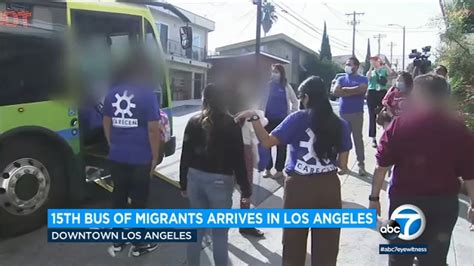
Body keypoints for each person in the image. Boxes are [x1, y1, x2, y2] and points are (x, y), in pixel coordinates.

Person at [236, 76, 352, 266]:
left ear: (306, 97)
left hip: (298, 189)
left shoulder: (297, 119)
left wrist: (255, 118)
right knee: (327, 244)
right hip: (329, 188)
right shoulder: (340, 124)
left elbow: (267, 141)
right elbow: (343, 166)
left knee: (293, 242)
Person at [369, 73, 474, 266]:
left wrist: (374, 198)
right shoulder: (459, 129)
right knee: (434, 260)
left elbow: (382, 165)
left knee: (400, 257)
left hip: (404, 204)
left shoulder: (399, 125)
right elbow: (470, 172)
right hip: (443, 205)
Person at [180, 83, 252, 266]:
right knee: (220, 234)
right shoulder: (231, 124)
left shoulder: (193, 121)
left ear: (204, 99)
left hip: (195, 179)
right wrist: (245, 188)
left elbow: (185, 155)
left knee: (196, 231)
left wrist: (183, 184)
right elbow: (238, 160)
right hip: (220, 182)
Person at [103, 50, 161, 257]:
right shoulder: (147, 94)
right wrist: (154, 157)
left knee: (118, 198)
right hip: (140, 158)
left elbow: (107, 121)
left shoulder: (112, 93)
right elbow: (153, 129)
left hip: (117, 157)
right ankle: (139, 244)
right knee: (138, 202)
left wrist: (112, 143)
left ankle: (118, 241)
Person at [332, 56, 369, 176]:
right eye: (346, 64)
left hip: (357, 113)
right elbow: (335, 91)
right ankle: (343, 165)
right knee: (343, 140)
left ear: (356, 66)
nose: (347, 66)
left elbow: (362, 89)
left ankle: (361, 164)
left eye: (350, 64)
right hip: (343, 113)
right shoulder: (341, 78)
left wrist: (345, 90)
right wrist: (354, 90)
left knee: (358, 139)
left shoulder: (363, 78)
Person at [261, 64, 298, 178]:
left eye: (277, 72)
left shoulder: (286, 86)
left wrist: (291, 115)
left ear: (281, 73)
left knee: (281, 146)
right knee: (266, 145)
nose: (274, 74)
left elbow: (295, 101)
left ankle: (279, 170)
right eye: (273, 71)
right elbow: (260, 101)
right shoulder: (267, 86)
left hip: (282, 121)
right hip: (267, 120)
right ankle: (267, 168)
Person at [366, 56, 394, 148]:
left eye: (376, 61)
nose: (374, 62)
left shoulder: (383, 70)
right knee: (372, 116)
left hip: (381, 93)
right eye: (372, 61)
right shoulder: (372, 72)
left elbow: (391, 73)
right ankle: (373, 138)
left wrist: (384, 64)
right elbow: (368, 78)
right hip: (372, 93)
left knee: (384, 114)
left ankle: (386, 134)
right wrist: (371, 67)